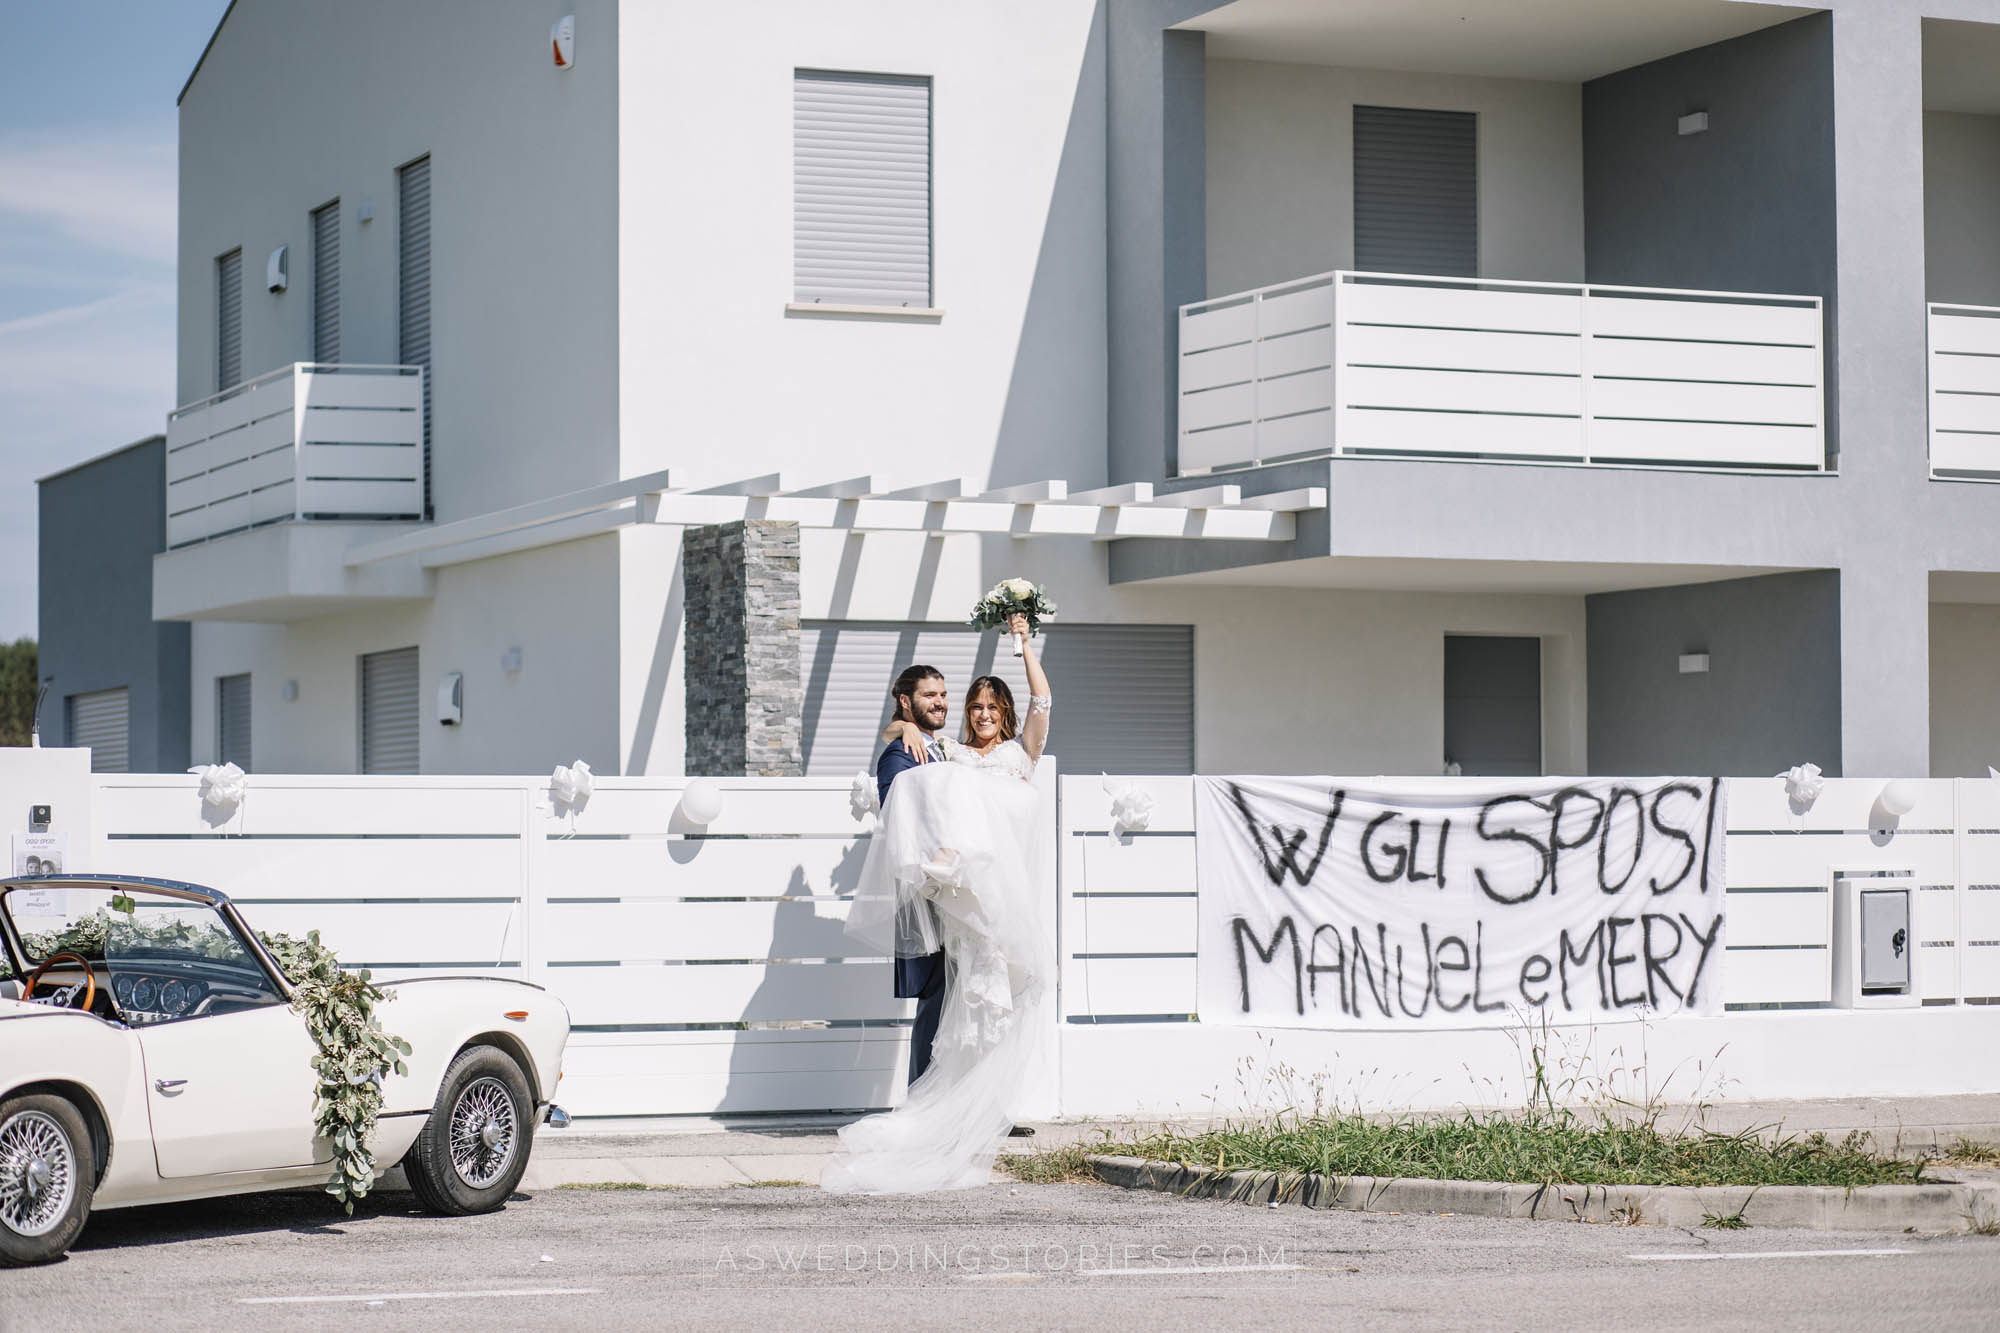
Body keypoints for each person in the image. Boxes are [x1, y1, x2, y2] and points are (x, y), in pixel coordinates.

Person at [823, 614, 1054, 1194]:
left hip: (1004, 896)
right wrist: (896, 727)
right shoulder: (941, 751)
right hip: (951, 900)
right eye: (959, 701)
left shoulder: (1005, 753)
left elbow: (1042, 702)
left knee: (995, 1003)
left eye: (984, 705)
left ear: (1002, 713)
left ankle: (987, 1111)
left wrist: (1023, 642)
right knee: (948, 1008)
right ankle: (935, 1110)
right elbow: (909, 770)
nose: (973, 711)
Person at [874, 663, 952, 1086]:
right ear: (907, 701)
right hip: (930, 894)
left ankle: (964, 1103)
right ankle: (925, 1100)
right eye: (929, 695)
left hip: (957, 889)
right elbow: (898, 825)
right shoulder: (899, 755)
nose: (940, 702)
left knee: (962, 1000)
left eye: (942, 694)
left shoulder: (940, 748)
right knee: (936, 1001)